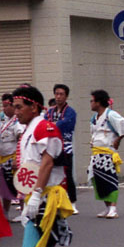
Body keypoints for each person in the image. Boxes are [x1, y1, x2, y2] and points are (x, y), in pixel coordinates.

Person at [3, 86, 73, 247]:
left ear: (34, 106)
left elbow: (47, 162)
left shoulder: (44, 127)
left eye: (19, 107)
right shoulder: (30, 130)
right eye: (14, 107)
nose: (15, 111)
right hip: (36, 195)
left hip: (45, 196)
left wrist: (36, 194)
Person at [88, 89, 124, 219]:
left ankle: (113, 208)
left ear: (99, 102)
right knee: (98, 181)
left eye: (92, 101)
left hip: (107, 153)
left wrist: (118, 139)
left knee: (110, 180)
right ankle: (107, 207)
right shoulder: (94, 118)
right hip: (96, 153)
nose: (90, 103)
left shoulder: (111, 115)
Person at [45, 84, 78, 213]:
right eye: (56, 94)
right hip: (52, 147)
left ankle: (73, 201)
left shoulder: (70, 112)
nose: (58, 97)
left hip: (66, 147)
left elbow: (65, 125)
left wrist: (53, 125)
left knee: (67, 174)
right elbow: (45, 123)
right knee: (52, 174)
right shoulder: (50, 111)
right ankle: (55, 200)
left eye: (61, 94)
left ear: (66, 96)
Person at [0, 93, 24, 217]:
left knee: (20, 186)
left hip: (13, 158)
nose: (5, 108)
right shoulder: (0, 120)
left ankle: (24, 213)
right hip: (2, 158)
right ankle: (5, 212)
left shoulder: (17, 121)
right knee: (4, 188)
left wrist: (17, 158)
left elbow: (20, 139)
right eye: (4, 105)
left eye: (8, 105)